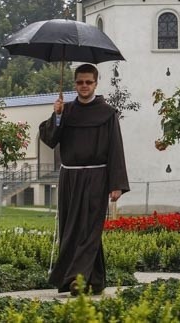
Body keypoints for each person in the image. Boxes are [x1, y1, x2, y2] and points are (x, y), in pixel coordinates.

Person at [39, 63, 129, 295]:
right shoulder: (65, 111)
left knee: (90, 229)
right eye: (80, 82)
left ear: (96, 83)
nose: (84, 86)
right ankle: (95, 280)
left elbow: (116, 148)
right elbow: (49, 138)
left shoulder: (107, 113)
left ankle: (76, 278)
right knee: (71, 229)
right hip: (70, 177)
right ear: (74, 84)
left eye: (88, 82)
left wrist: (116, 184)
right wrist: (57, 116)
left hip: (97, 177)